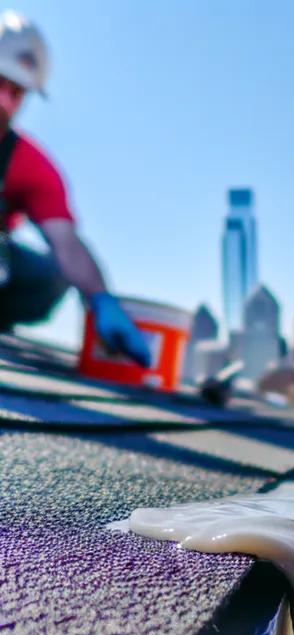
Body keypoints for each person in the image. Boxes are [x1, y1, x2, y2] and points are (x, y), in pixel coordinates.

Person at [0, 10, 150, 367]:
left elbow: (67, 246)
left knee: (50, 276)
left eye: (17, 92)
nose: (5, 102)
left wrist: (101, 299)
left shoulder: (30, 166)